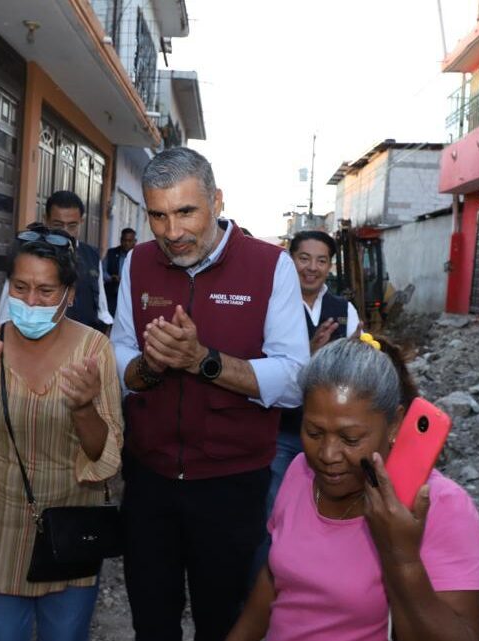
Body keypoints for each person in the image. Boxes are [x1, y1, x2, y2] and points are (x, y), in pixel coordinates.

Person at [111, 147, 310, 641]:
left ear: (217, 201)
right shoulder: (136, 264)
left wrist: (203, 361)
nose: (172, 232)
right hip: (149, 480)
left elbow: (293, 378)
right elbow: (118, 355)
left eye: (185, 212)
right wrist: (148, 367)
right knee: (151, 622)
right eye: (157, 215)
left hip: (232, 484)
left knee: (222, 622)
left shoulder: (270, 267)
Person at [227, 336, 479, 641]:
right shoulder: (300, 471)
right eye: (313, 432)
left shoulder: (442, 506)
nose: (327, 455)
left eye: (350, 439)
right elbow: (274, 578)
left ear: (394, 425)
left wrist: (401, 556)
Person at [0, 226, 124, 641]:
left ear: (70, 295)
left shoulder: (95, 351)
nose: (31, 301)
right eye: (20, 288)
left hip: (72, 526)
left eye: (46, 290)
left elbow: (104, 457)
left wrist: (83, 408)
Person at [268, 230, 362, 511]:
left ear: (329, 265)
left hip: (332, 435)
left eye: (321, 261)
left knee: (324, 509)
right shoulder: (271, 306)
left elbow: (355, 371)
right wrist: (307, 355)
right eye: (304, 258)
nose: (312, 268)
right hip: (282, 431)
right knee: (275, 509)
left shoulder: (344, 310)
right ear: (290, 260)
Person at [0, 191, 113, 332]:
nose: (65, 232)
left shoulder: (92, 256)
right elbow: (5, 316)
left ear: (81, 221)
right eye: (58, 225)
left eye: (72, 226)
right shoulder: (28, 255)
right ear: (46, 220)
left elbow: (102, 308)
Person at [102, 227, 137, 317]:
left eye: (130, 241)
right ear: (121, 240)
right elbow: (102, 271)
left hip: (130, 297)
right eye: (124, 240)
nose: (126, 243)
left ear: (135, 241)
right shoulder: (111, 253)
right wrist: (111, 278)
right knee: (109, 321)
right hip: (112, 295)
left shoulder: (139, 256)